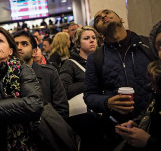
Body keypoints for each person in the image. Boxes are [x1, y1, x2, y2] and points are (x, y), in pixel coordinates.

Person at [84, 9, 156, 150]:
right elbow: (89, 95)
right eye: (98, 18)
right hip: (118, 131)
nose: (103, 16)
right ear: (99, 32)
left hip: (152, 125)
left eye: (107, 13)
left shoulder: (147, 45)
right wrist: (107, 102)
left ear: (121, 19)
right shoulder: (96, 58)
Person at [114, 20, 161, 151]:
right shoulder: (157, 81)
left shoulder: (141, 46)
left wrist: (148, 141)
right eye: (160, 46)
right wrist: (140, 123)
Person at [59, 26, 103, 151]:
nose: (92, 40)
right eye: (87, 38)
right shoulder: (70, 64)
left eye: (94, 38)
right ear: (78, 43)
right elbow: (64, 89)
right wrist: (90, 82)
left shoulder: (103, 61)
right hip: (84, 118)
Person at [13, 30, 69, 119]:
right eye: (15, 44)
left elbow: (62, 110)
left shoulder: (49, 74)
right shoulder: (7, 77)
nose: (19, 48)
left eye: (24, 44)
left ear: (34, 51)